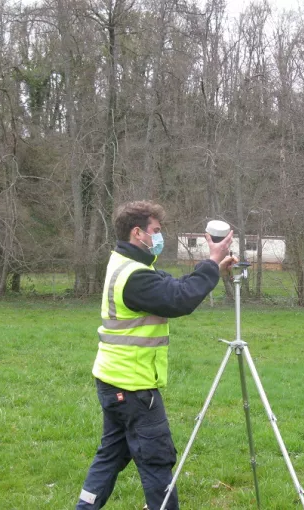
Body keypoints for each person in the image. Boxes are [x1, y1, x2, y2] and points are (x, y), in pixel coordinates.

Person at [76, 201, 236, 510]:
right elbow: (178, 300)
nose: (160, 237)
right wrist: (212, 259)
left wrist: (212, 267)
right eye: (156, 231)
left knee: (112, 454)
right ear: (138, 233)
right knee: (156, 460)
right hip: (134, 386)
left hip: (113, 380)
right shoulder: (135, 277)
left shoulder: (125, 263)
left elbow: (172, 286)